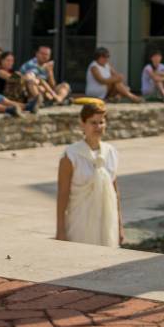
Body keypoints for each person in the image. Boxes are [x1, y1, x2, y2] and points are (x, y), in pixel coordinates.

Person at [55, 101, 122, 246]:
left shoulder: (111, 152)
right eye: (93, 123)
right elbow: (63, 194)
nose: (98, 127)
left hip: (106, 221)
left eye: (101, 122)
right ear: (82, 124)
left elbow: (115, 192)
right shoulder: (71, 155)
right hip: (80, 221)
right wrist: (60, 229)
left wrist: (120, 226)